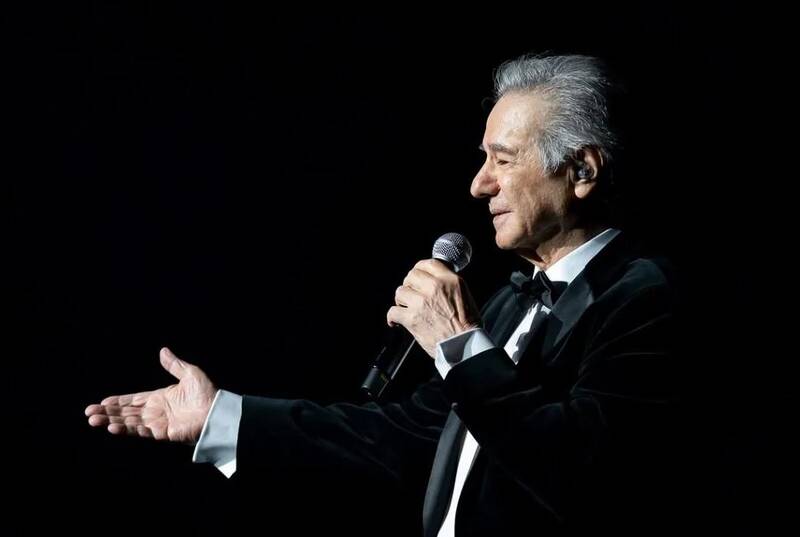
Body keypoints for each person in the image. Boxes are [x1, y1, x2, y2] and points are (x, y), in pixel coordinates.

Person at [85, 54, 686, 536]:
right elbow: (404, 437)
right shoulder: (508, 304)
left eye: (502, 160)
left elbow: (582, 472)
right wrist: (220, 417)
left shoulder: (646, 299)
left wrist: (459, 343)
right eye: (483, 159)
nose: (479, 185)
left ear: (582, 172)